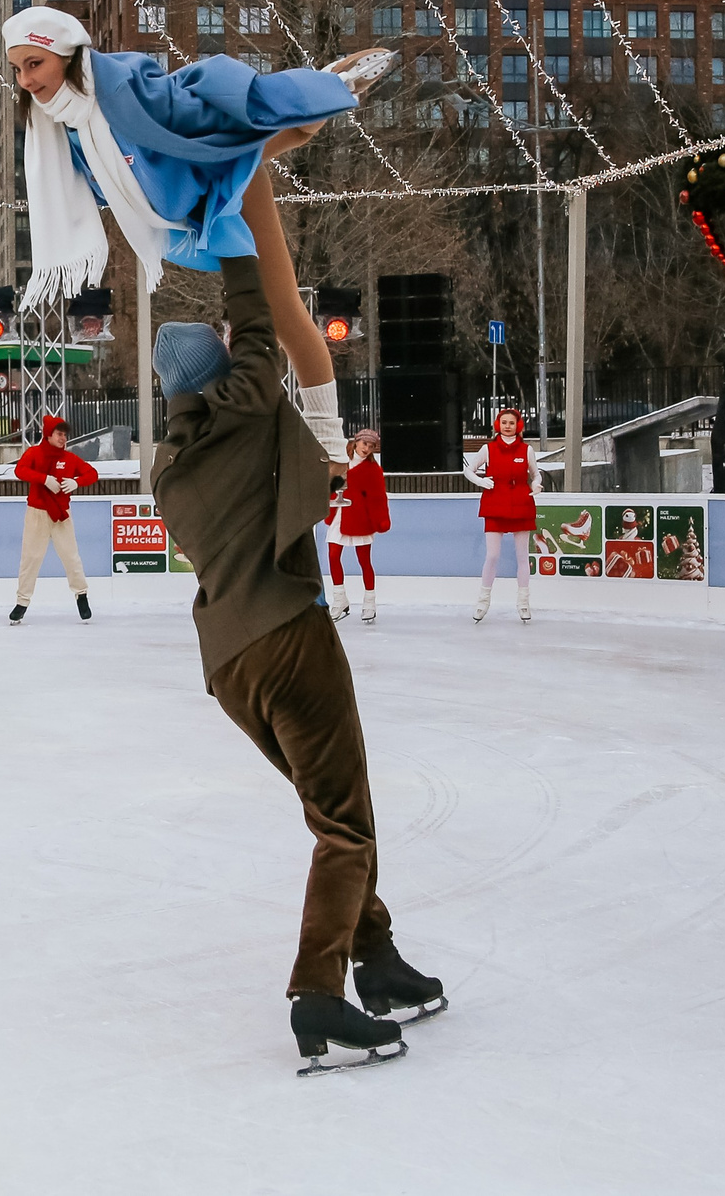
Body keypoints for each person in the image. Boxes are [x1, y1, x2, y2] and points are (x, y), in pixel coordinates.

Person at [150, 160, 444, 1075]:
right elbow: (259, 328)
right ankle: (319, 994)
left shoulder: (171, 463)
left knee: (329, 808)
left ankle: (379, 957)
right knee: (346, 825)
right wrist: (233, 207)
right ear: (218, 371)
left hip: (229, 664)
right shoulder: (244, 408)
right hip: (288, 638)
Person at [1, 5, 359, 308]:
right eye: (18, 69)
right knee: (264, 313)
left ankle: (327, 88)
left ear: (69, 57)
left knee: (280, 310)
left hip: (213, 178)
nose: (26, 81)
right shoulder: (62, 130)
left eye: (34, 64)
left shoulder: (124, 88)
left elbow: (196, 108)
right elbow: (99, 192)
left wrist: (315, 93)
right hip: (179, 217)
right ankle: (320, 100)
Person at [11, 413, 99, 623]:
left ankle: (82, 595)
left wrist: (78, 482)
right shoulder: (34, 453)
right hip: (37, 514)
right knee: (30, 559)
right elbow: (19, 470)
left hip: (62, 516)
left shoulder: (70, 459)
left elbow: (92, 473)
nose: (63, 439)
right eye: (59, 434)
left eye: (65, 435)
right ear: (48, 435)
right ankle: (22, 603)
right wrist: (43, 479)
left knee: (71, 558)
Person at [464, 407, 537, 623]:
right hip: (495, 503)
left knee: (522, 556)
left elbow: (535, 473)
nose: (507, 426)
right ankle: (483, 600)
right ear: (498, 425)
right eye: (504, 422)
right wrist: (480, 481)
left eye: (511, 423)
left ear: (518, 426)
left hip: (521, 503)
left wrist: (538, 483)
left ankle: (523, 602)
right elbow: (468, 469)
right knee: (493, 555)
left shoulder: (527, 450)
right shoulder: (488, 448)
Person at [327, 428, 391, 623]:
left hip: (360, 517)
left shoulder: (373, 470)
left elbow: (378, 497)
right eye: (364, 444)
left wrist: (381, 519)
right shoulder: (341, 461)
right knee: (332, 555)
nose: (367, 449)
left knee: (364, 561)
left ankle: (370, 602)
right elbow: (329, 483)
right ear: (356, 442)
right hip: (340, 514)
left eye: (371, 446)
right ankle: (339, 599)